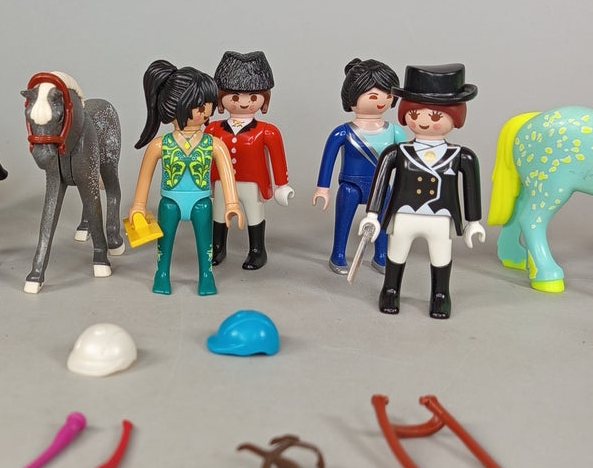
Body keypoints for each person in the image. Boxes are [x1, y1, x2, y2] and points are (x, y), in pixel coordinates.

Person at [357, 64, 485, 318]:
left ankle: (440, 295)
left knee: (441, 255)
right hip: (403, 214)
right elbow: (380, 182)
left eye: (436, 117)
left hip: (440, 217)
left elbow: (471, 188)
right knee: (396, 252)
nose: (424, 121)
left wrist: (473, 222)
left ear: (456, 117)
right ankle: (390, 290)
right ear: (405, 114)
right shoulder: (397, 152)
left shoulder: (461, 156)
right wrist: (372, 215)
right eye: (415, 114)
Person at [130, 60, 243, 295]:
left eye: (208, 104)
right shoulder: (160, 145)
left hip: (201, 202)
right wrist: (138, 206)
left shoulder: (214, 144)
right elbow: (145, 178)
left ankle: (206, 275)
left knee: (205, 243)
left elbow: (227, 176)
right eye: (198, 106)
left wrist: (232, 204)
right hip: (170, 202)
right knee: (164, 242)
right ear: (173, 107)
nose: (205, 111)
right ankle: (162, 273)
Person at [312, 58, 407, 274]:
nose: (381, 101)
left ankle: (381, 254)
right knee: (343, 223)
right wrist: (322, 188)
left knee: (383, 223)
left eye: (388, 95)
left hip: (381, 187)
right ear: (352, 97)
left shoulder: (394, 131)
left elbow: (405, 162)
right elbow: (328, 160)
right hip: (350, 186)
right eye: (373, 96)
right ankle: (338, 253)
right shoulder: (343, 132)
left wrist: (405, 189)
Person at [204, 50, 293, 270]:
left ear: (264, 99)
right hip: (221, 182)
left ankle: (257, 250)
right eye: (235, 97)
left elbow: (278, 158)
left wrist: (282, 184)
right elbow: (202, 155)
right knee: (219, 213)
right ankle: (218, 247)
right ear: (221, 98)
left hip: (252, 183)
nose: (244, 103)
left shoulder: (267, 131)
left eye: (253, 97)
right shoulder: (213, 128)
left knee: (254, 214)